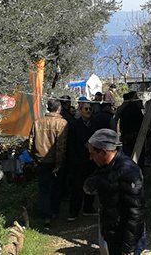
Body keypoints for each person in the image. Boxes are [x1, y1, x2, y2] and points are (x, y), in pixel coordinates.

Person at [83, 129, 145, 255]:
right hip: (112, 233)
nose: (90, 158)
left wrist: (128, 247)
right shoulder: (106, 167)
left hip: (125, 237)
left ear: (104, 152)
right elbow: (88, 187)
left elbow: (136, 212)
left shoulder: (128, 171)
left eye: (92, 153)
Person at [30, 98, 68, 227]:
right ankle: (54, 212)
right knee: (56, 187)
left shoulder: (37, 122)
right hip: (55, 161)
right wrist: (58, 164)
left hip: (41, 160)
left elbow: (30, 143)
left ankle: (46, 214)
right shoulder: (62, 123)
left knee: (44, 189)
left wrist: (34, 158)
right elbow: (61, 147)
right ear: (59, 108)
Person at [66, 96, 101, 220]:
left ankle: (88, 208)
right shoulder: (74, 126)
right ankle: (73, 212)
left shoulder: (96, 125)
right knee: (77, 188)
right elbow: (70, 144)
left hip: (92, 160)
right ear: (80, 110)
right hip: (78, 161)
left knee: (91, 185)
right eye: (86, 109)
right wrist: (74, 159)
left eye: (90, 109)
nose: (88, 111)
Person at [114, 91, 144, 157]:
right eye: (135, 97)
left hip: (127, 133)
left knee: (128, 153)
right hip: (134, 133)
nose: (138, 98)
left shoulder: (123, 108)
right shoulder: (136, 108)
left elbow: (116, 120)